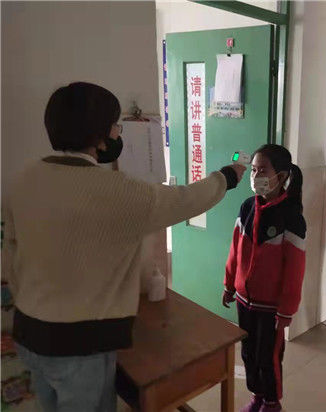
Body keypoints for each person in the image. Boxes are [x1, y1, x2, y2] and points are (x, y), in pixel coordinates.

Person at [1, 82, 246, 412]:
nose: (119, 132)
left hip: (28, 333)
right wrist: (228, 176)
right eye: (116, 125)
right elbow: (186, 200)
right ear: (100, 134)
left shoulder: (24, 180)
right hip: (78, 348)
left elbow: (11, 253)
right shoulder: (120, 193)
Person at [223, 144, 306, 412]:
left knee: (267, 356)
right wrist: (229, 284)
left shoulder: (291, 216)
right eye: (254, 169)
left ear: (281, 177)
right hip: (245, 300)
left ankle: (272, 402)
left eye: (263, 170)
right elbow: (235, 250)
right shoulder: (247, 206)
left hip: (271, 307)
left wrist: (287, 310)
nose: (256, 175)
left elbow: (295, 270)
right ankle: (257, 396)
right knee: (248, 353)